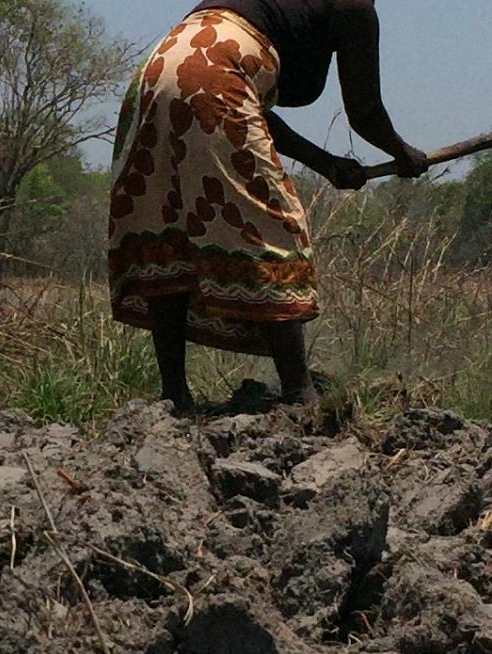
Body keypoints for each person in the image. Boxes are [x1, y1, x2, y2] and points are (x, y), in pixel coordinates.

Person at [107, 0, 425, 410]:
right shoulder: (354, 4)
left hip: (158, 69)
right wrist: (404, 153)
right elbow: (364, 110)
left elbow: (244, 104)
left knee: (168, 228)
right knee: (270, 226)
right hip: (218, 73)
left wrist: (325, 164)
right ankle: (299, 393)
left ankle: (175, 396)